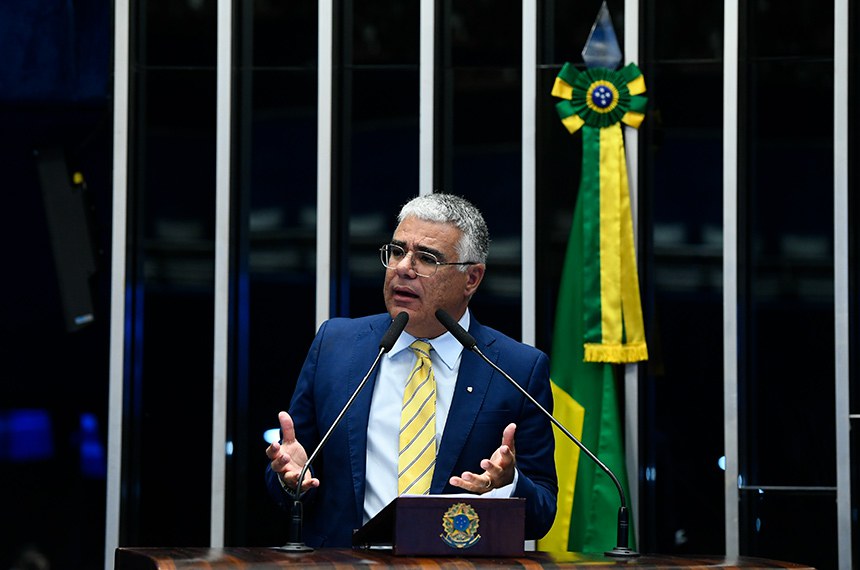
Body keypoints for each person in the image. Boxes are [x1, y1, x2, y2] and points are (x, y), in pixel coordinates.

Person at [265, 193, 557, 548]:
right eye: (397, 251)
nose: (403, 268)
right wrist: (290, 479)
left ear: (472, 278)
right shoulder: (336, 346)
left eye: (427, 258)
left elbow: (542, 513)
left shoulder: (517, 369)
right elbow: (294, 468)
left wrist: (508, 484)